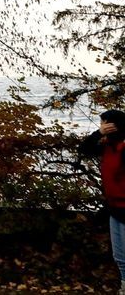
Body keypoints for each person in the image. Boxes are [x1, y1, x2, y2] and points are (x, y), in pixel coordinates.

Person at [79, 108, 125, 293]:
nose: (102, 127)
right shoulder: (107, 147)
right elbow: (84, 149)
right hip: (114, 208)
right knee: (120, 256)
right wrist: (98, 134)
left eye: (105, 124)